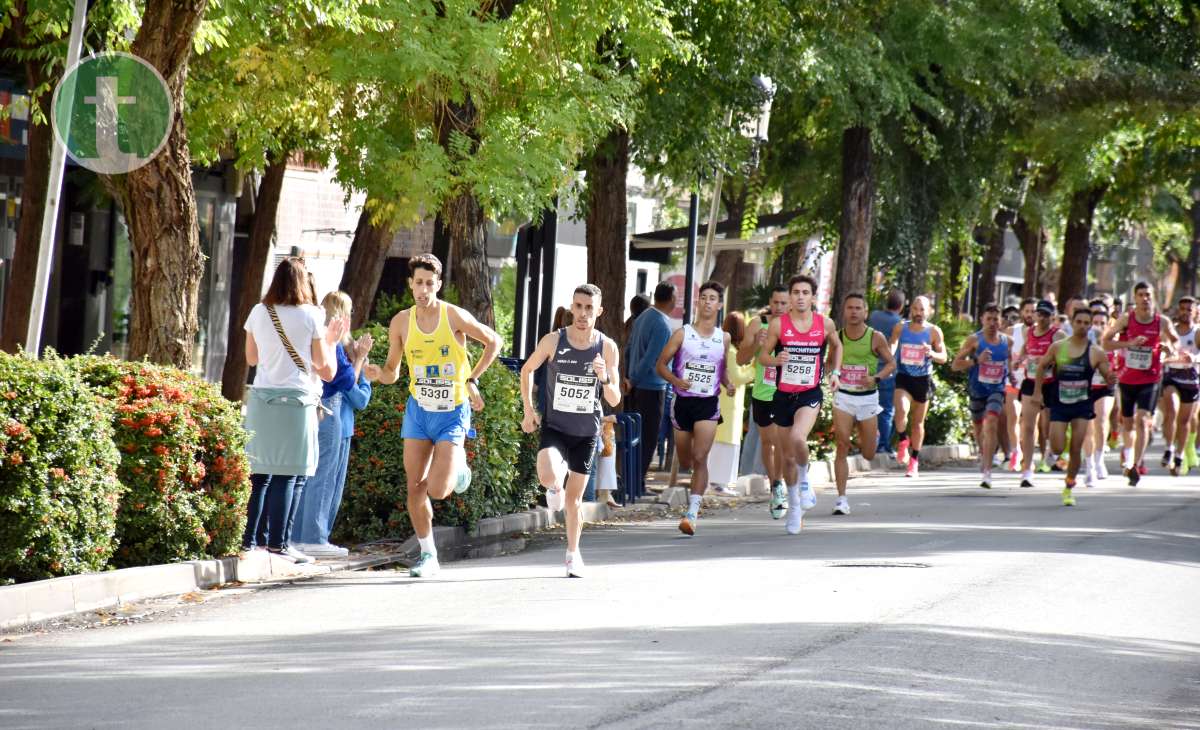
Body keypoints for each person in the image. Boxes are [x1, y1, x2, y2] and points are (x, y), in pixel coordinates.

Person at [364, 254, 502, 578]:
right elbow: (392, 372)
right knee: (415, 486)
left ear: (438, 285)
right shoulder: (400, 322)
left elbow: (493, 341)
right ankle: (429, 556)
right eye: (418, 283)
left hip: (452, 412)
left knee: (438, 490)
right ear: (410, 284)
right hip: (419, 411)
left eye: (430, 283)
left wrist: (471, 380)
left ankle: (459, 468)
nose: (423, 289)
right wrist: (374, 373)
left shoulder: (453, 316)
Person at [241, 257, 348, 563]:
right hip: (297, 402)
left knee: (260, 473)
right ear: (303, 282)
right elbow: (327, 371)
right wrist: (330, 341)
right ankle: (280, 544)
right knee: (291, 474)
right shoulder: (311, 315)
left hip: (261, 400)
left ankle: (251, 542)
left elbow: (251, 358)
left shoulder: (258, 312)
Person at [520, 284, 620, 577]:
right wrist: (529, 410)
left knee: (574, 501)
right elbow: (527, 370)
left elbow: (614, 398)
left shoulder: (607, 347)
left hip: (587, 433)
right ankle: (553, 486)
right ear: (571, 308)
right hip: (556, 426)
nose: (583, 313)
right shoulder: (554, 340)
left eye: (589, 308)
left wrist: (603, 377)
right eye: (578, 306)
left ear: (598, 312)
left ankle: (573, 555)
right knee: (547, 472)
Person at [291, 291, 375, 558]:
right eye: (348, 313)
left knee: (308, 477)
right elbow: (352, 389)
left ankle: (299, 536)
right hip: (332, 416)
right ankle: (315, 537)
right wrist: (362, 363)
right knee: (325, 480)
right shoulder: (337, 347)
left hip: (313, 413)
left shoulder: (315, 340)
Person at [759, 274, 843, 535]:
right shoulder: (778, 325)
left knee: (798, 437)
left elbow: (837, 346)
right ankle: (794, 505)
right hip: (783, 394)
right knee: (787, 457)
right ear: (791, 297)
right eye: (796, 292)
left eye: (805, 292)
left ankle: (805, 480)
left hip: (809, 393)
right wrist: (776, 360)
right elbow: (762, 357)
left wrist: (835, 372)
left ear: (813, 297)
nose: (800, 297)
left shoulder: (824, 323)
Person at [656, 281, 733, 536]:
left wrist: (729, 384)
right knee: (687, 459)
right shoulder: (682, 333)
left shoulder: (724, 338)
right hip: (682, 403)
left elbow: (722, 371)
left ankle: (692, 512)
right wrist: (677, 381)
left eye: (713, 298)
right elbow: (661, 366)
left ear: (719, 305)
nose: (708, 302)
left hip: (708, 404)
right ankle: (692, 500)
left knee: (701, 457)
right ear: (698, 302)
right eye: (704, 297)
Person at [1033, 306, 1116, 505]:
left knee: (1076, 448)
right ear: (1072, 322)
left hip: (1082, 405)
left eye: (1086, 323)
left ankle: (1069, 486)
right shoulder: (1058, 347)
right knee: (1057, 446)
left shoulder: (1095, 352)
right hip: (1060, 403)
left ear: (1090, 326)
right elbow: (1041, 366)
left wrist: (1111, 378)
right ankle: (1053, 454)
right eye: (1078, 322)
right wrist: (1037, 392)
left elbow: (1107, 374)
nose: (1082, 326)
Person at [1102, 281, 1179, 485]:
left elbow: (1175, 342)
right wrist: (1128, 343)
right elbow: (1106, 342)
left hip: (1151, 377)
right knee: (1127, 423)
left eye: (1148, 295)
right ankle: (1128, 458)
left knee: (1143, 420)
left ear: (1153, 297)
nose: (1145, 298)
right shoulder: (1127, 319)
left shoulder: (1161, 321)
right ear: (1135, 298)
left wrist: (1168, 348)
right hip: (1127, 378)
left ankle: (1135, 464)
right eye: (1141, 295)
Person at [832, 293, 895, 513]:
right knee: (841, 445)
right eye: (850, 307)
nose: (854, 311)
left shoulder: (875, 337)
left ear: (865, 312)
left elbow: (891, 364)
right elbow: (831, 361)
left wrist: (875, 378)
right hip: (844, 397)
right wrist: (833, 374)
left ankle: (870, 436)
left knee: (868, 454)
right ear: (844, 311)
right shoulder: (837, 336)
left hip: (867, 398)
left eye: (858, 308)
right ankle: (841, 499)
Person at [737, 285, 792, 518]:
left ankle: (778, 484)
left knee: (779, 441)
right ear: (770, 301)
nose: (779, 308)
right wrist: (756, 344)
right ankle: (775, 483)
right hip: (763, 391)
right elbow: (741, 358)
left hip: (787, 391)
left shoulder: (795, 326)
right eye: (776, 303)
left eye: (783, 303)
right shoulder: (757, 323)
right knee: (767, 442)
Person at [952, 303, 1015, 489]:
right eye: (989, 319)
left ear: (1001, 321)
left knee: (992, 422)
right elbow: (955, 365)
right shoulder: (974, 341)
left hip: (996, 390)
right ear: (982, 320)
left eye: (996, 319)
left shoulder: (1007, 342)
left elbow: (1009, 360)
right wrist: (975, 361)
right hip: (977, 390)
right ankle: (985, 456)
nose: (992, 323)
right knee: (980, 430)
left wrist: (1011, 373)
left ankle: (987, 473)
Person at [889, 296, 948, 478]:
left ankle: (914, 461)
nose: (918, 313)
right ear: (910, 310)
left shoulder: (934, 332)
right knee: (901, 411)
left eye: (922, 309)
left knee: (918, 423)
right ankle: (903, 441)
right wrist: (891, 355)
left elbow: (944, 357)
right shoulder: (901, 327)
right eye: (915, 309)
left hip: (923, 380)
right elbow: (893, 343)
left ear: (929, 311)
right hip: (904, 377)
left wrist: (932, 353)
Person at [624, 282, 677, 481]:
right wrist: (634, 379)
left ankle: (632, 480)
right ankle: (637, 481)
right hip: (652, 387)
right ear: (671, 299)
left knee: (636, 437)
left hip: (636, 385)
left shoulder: (643, 317)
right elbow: (652, 358)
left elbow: (629, 349)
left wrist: (629, 378)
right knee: (649, 438)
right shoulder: (662, 325)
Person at [1015, 300, 1066, 487]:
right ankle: (1027, 469)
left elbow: (1067, 356)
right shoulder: (1027, 331)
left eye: (1046, 315)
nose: (1042, 318)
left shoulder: (1057, 335)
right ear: (1035, 315)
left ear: (1052, 317)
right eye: (1040, 314)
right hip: (1030, 382)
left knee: (1051, 428)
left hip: (1051, 384)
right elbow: (1026, 347)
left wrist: (1052, 362)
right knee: (1027, 426)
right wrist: (1020, 359)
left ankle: (1052, 452)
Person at [709, 311, 756, 497]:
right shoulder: (730, 351)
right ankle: (718, 482)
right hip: (728, 404)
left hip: (724, 402)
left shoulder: (725, 348)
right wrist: (752, 370)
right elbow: (737, 377)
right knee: (726, 442)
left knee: (723, 441)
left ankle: (718, 482)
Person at [1159, 296, 1198, 476]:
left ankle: (1180, 455)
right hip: (1172, 377)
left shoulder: (1197, 332)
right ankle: (1168, 448)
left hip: (1190, 380)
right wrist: (1165, 353)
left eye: (1189, 309)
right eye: (1182, 309)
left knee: (1184, 421)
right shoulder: (1171, 331)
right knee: (1171, 410)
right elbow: (1162, 352)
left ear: (1196, 312)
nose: (1185, 313)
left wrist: (1195, 359)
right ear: (1177, 310)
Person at [867, 288, 905, 458]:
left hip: (870, 368)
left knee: (867, 407)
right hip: (888, 372)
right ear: (901, 306)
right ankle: (883, 445)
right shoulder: (900, 323)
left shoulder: (874, 316)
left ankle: (867, 442)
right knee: (886, 410)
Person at [1086, 305, 1117, 484]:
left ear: (1108, 325)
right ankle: (1089, 464)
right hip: (1086, 387)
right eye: (1095, 323)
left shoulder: (1114, 342)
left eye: (1102, 323)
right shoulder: (1083, 342)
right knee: (1088, 425)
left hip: (1106, 386)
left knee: (1102, 418)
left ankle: (1099, 460)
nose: (1098, 326)